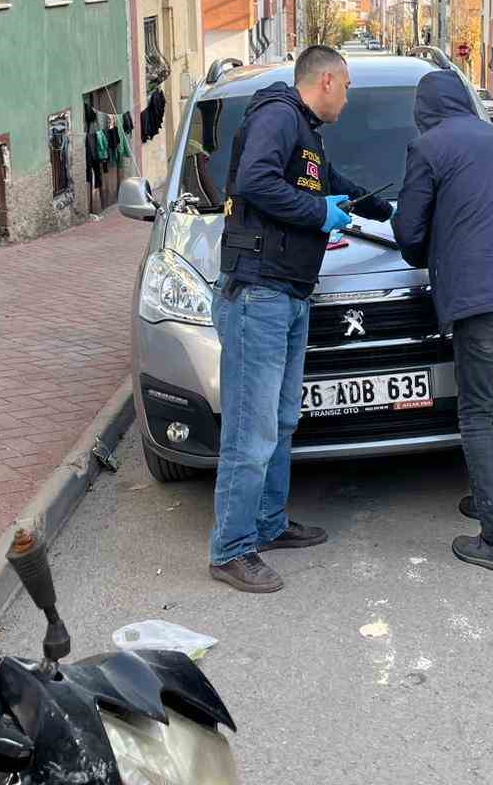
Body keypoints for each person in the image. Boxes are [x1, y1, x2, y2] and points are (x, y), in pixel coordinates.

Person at [210, 45, 394, 593]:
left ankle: (268, 524)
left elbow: (336, 184)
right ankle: (231, 548)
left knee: (283, 419)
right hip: (258, 293)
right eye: (348, 87)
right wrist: (321, 212)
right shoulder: (277, 114)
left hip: (288, 291)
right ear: (330, 80)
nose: (348, 97)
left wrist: (387, 210)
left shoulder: (306, 134)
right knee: (252, 427)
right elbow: (254, 183)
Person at [392, 70, 493, 573]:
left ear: (423, 110)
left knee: (476, 412)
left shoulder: (428, 148)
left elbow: (408, 231)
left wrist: (427, 245)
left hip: (482, 302)